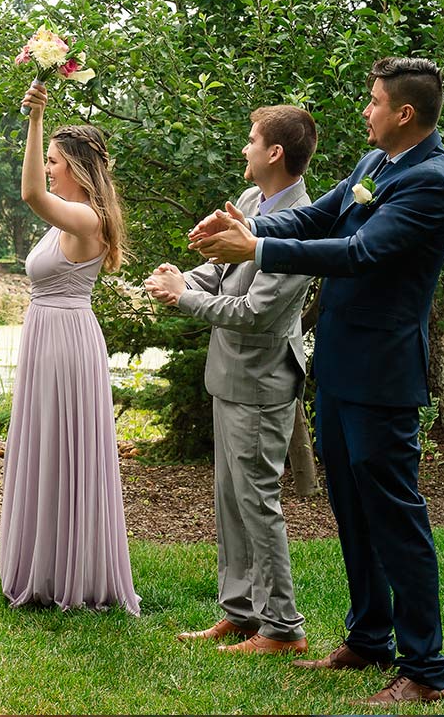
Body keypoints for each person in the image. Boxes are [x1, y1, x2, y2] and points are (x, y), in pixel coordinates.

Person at [189, 58, 444, 705]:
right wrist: (249, 227)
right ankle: (368, 639)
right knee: (352, 512)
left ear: (403, 113)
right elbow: (318, 219)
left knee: (395, 520)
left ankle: (423, 670)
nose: (363, 111)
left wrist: (254, 251)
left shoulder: (429, 183)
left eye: (372, 103)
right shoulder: (372, 169)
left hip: (382, 377)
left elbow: (358, 253)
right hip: (336, 367)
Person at [145, 105, 317, 653]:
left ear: (274, 154)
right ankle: (241, 612)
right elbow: (220, 271)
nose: (243, 148)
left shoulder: (302, 223)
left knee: (258, 504)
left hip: (263, 382)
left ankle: (284, 628)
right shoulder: (248, 202)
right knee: (229, 501)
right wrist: (181, 276)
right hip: (230, 376)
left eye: (251, 140)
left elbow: (255, 311)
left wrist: (185, 298)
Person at [0, 83, 139, 615]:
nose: (48, 169)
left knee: (64, 446)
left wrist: (35, 118)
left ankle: (71, 571)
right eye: (48, 160)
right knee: (46, 447)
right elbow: (40, 194)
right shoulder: (69, 215)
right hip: (48, 336)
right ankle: (47, 564)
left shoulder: (87, 219)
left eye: (55, 161)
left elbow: (31, 193)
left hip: (65, 343)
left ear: (76, 167)